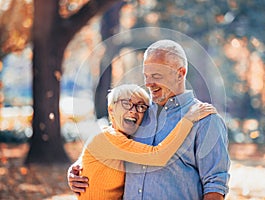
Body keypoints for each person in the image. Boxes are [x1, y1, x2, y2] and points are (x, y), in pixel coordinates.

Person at [68, 40, 230, 200]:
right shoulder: (138, 114)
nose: (148, 83)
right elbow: (111, 141)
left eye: (156, 75)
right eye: (146, 75)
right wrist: (78, 169)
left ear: (180, 74)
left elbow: (215, 186)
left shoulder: (206, 119)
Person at [71, 83, 216, 199]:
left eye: (141, 106)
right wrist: (188, 119)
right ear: (111, 109)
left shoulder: (124, 139)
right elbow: (158, 156)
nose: (134, 111)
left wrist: (75, 168)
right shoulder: (106, 138)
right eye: (126, 104)